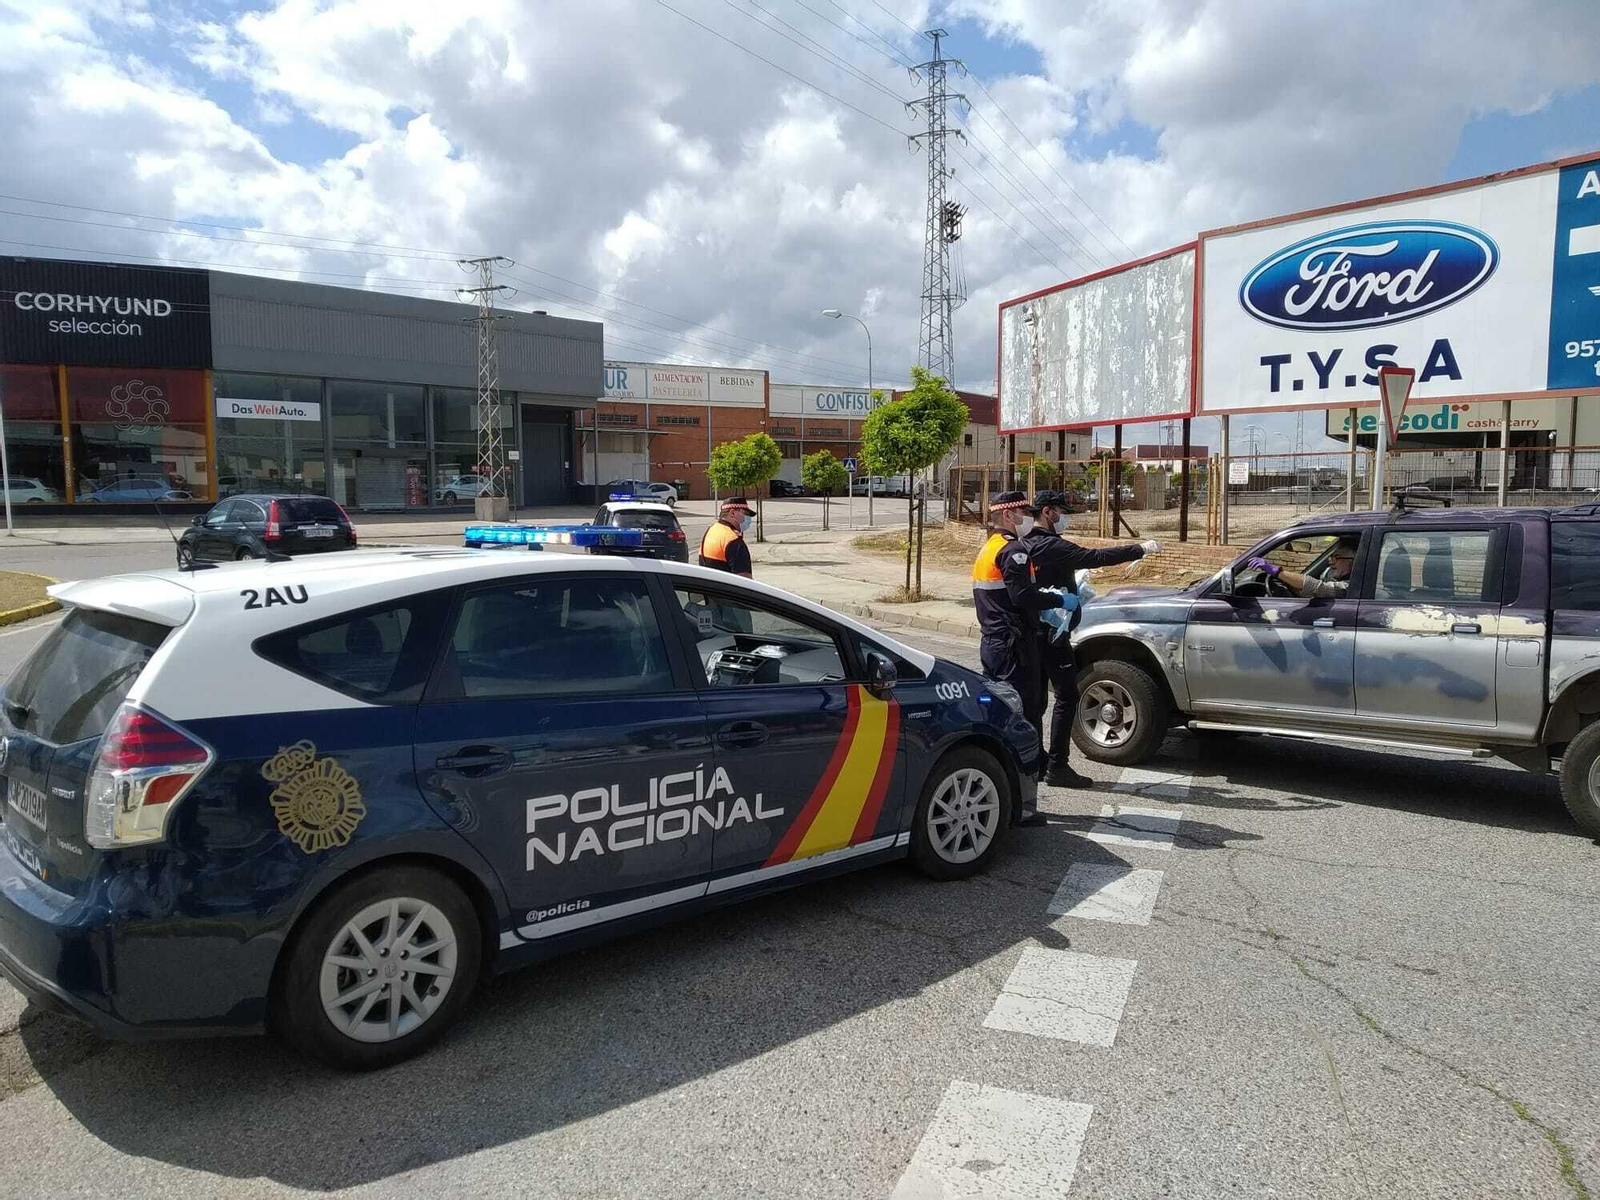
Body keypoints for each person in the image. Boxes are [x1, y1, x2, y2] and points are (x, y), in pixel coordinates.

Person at [1021, 490, 1161, 788]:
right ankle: (1057, 766)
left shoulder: (1026, 544)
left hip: (1034, 631)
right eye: (1061, 511)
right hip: (1053, 634)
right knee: (1067, 695)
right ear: (1047, 512)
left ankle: (1036, 761)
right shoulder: (1051, 545)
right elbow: (1096, 557)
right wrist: (1139, 549)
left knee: (1036, 701)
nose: (1064, 518)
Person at [972, 490, 1066, 801]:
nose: (1029, 517)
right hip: (1014, 647)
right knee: (1025, 717)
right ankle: (1025, 798)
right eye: (1024, 512)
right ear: (1008, 515)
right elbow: (1023, 596)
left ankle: (1011, 786)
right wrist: (1057, 600)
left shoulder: (990, 547)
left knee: (1003, 713)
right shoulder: (1013, 551)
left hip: (995, 644)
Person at [1246, 537, 1356, 598]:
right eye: (1330, 557)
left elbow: (1318, 588)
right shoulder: (1331, 575)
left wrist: (1278, 572)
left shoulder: (1350, 587)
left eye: (1337, 557)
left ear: (1353, 561)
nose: (1331, 561)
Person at [699, 496, 754, 577]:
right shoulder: (733, 540)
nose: (747, 518)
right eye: (745, 513)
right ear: (732, 513)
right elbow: (744, 579)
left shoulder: (711, 530)